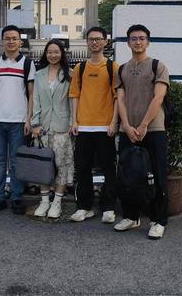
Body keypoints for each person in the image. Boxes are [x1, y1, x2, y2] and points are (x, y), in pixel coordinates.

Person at [114, 24, 169, 240]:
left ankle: (158, 220)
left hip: (153, 129)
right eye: (134, 38)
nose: (138, 42)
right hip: (128, 130)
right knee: (128, 174)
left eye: (142, 38)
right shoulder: (122, 69)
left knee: (156, 174)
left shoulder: (157, 66)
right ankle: (131, 216)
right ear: (128, 43)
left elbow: (159, 97)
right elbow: (120, 99)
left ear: (148, 42)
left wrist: (144, 124)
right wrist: (127, 126)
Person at [69, 26, 119, 223]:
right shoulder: (80, 68)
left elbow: (117, 97)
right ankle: (84, 207)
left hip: (105, 126)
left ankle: (108, 207)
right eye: (91, 39)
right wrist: (74, 121)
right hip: (83, 126)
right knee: (82, 169)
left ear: (105, 42)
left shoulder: (113, 67)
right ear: (87, 42)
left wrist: (114, 121)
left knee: (108, 169)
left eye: (98, 39)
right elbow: (75, 95)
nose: (94, 42)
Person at [0, 25, 35, 215]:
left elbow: (32, 94)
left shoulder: (27, 64)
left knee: (16, 162)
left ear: (20, 41)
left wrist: (29, 119)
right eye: (7, 38)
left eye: (14, 38)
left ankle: (16, 198)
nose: (11, 41)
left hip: (19, 120)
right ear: (2, 41)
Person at [30, 39, 74, 219]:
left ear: (62, 54)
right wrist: (35, 123)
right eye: (50, 52)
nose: (53, 55)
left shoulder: (70, 74)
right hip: (42, 127)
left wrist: (72, 122)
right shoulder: (39, 74)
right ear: (45, 54)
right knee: (43, 165)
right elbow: (35, 99)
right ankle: (44, 201)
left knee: (62, 165)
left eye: (56, 52)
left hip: (62, 126)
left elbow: (73, 100)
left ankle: (57, 202)